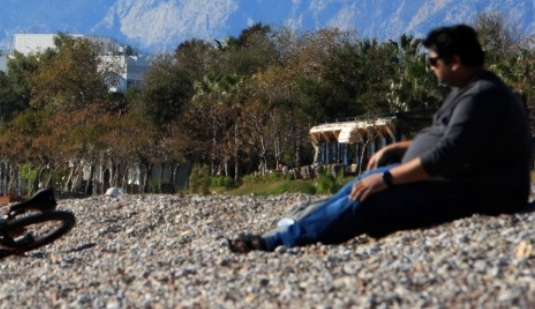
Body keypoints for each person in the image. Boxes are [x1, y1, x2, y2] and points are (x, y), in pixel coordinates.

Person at [229, 24, 534, 253]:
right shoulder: (469, 90)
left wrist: (388, 179)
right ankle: (293, 227)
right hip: (449, 181)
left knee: (369, 197)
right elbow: (448, 139)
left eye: (433, 61)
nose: (430, 68)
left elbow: (448, 155)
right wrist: (397, 148)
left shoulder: (482, 96)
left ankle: (277, 241)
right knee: (361, 183)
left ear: (454, 61)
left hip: (471, 191)